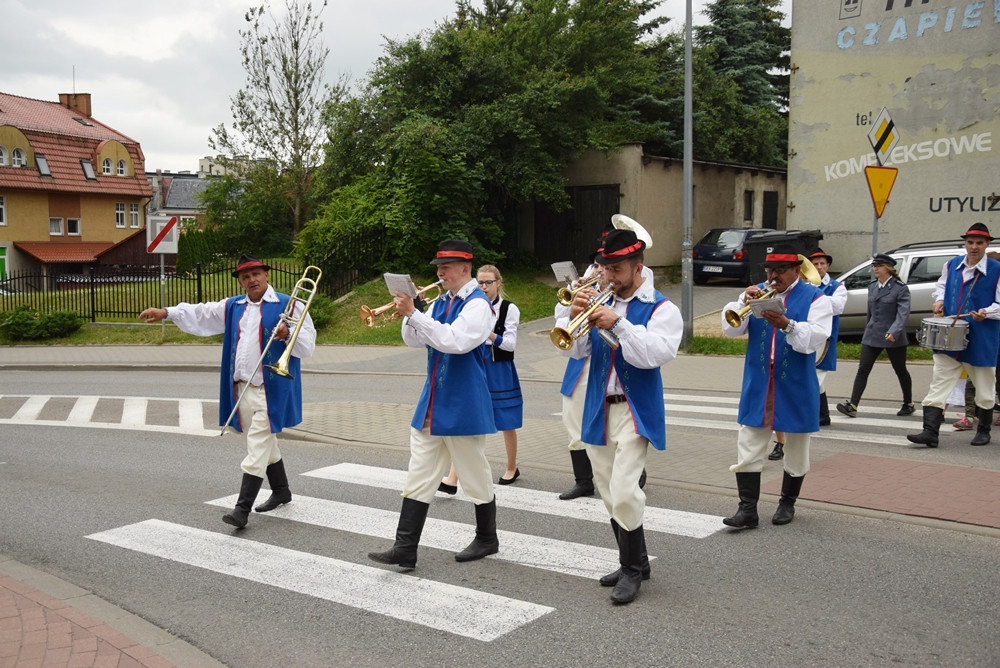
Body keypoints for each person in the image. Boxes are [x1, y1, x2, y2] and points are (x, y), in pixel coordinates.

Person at [139, 254, 316, 529]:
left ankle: (241, 510)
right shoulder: (234, 306)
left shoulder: (289, 304)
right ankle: (282, 491)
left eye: (256, 274)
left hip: (273, 390)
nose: (251, 280)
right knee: (263, 442)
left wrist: (287, 334)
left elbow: (308, 346)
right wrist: (167, 312)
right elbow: (202, 313)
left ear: (266, 275)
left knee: (257, 444)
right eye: (245, 277)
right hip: (242, 388)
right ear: (241, 281)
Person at [556, 228, 682, 605]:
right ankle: (637, 561)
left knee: (626, 489)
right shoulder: (600, 298)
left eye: (617, 270)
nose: (609, 277)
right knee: (610, 492)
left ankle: (631, 572)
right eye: (606, 269)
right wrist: (572, 313)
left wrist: (618, 323)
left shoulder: (662, 308)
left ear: (638, 266)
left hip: (634, 408)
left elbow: (653, 356)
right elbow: (574, 352)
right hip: (598, 406)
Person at [368, 239, 499, 571]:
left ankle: (487, 537)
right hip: (434, 398)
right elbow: (414, 339)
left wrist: (415, 313)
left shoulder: (478, 305)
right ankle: (405, 547)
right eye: (438, 268)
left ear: (465, 268)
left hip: (464, 400)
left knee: (472, 472)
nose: (440, 273)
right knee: (420, 471)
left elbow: (454, 342)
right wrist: (410, 312)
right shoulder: (442, 301)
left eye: (446, 267)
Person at [720, 244, 832, 529]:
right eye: (769, 270)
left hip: (795, 380)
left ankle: (787, 502)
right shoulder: (756, 291)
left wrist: (786, 324)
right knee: (748, 441)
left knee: (797, 446)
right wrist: (739, 303)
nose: (772, 276)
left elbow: (815, 340)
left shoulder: (816, 298)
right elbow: (731, 329)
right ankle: (747, 510)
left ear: (797, 270)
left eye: (780, 271)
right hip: (758, 379)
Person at [908, 223, 1000, 448]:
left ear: (987, 245)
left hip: (982, 336)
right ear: (965, 244)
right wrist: (939, 299)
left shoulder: (997, 270)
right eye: (970, 242)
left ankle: (984, 430)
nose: (974, 247)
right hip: (949, 335)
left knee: (984, 385)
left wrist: (987, 312)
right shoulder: (951, 265)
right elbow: (941, 286)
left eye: (979, 243)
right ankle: (930, 432)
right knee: (939, 383)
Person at [439, 264, 522, 491]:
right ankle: (453, 478)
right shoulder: (471, 304)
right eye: (480, 282)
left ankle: (512, 466)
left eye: (488, 283)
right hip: (477, 362)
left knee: (506, 421)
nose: (483, 287)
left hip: (499, 366)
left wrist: (488, 333)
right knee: (471, 417)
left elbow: (510, 343)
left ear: (498, 283)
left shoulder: (508, 308)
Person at [836, 254, 913, 420]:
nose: (875, 268)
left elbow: (903, 313)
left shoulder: (900, 288)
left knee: (900, 370)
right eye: (874, 265)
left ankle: (909, 403)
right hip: (872, 334)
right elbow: (870, 312)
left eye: (879, 265)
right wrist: (867, 329)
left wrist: (895, 331)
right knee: (863, 369)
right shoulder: (872, 286)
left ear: (889, 268)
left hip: (893, 335)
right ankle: (853, 405)